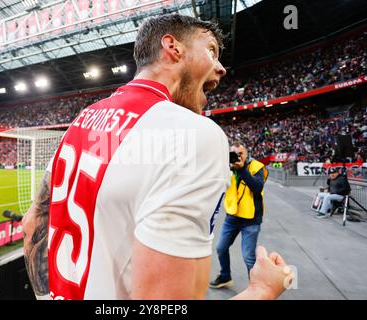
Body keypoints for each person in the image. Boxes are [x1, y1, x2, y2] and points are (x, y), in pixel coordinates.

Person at [22, 14, 293, 300]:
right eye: (211, 51)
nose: (221, 68)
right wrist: (263, 290)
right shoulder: (194, 134)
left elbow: (33, 226)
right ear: (173, 48)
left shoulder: (83, 120)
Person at [210, 142, 269, 289]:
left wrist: (242, 169)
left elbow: (257, 188)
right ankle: (225, 276)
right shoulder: (226, 168)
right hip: (232, 217)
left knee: (248, 257)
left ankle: (255, 288)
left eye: (240, 154)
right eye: (234, 154)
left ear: (246, 153)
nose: (238, 157)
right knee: (220, 248)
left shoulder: (256, 167)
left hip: (251, 219)